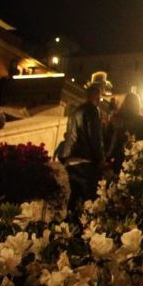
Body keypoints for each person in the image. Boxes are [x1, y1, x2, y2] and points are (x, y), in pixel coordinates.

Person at [58, 83, 107, 214]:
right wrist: (101, 158)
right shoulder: (92, 110)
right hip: (85, 160)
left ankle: (69, 227)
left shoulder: (75, 111)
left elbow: (70, 134)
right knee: (88, 201)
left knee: (74, 199)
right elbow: (95, 135)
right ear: (97, 95)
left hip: (71, 159)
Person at [106, 92, 143, 174]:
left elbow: (107, 136)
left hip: (115, 155)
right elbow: (141, 139)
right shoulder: (140, 120)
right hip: (131, 156)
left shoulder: (116, 117)